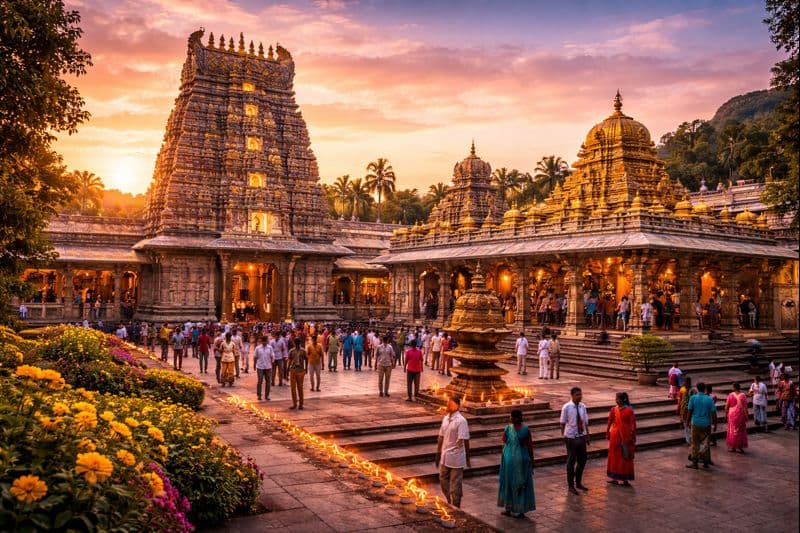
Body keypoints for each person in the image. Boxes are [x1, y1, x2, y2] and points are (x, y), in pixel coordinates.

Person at [497, 409, 535, 518]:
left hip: (509, 459)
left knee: (509, 483)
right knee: (522, 483)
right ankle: (521, 510)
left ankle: (508, 509)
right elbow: (530, 446)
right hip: (522, 459)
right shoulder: (526, 429)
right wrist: (532, 459)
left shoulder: (508, 428)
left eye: (511, 416)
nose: (510, 418)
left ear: (516, 418)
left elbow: (504, 440)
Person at [436, 396, 470, 508]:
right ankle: (449, 500)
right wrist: (438, 452)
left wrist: (467, 457)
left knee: (455, 486)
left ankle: (456, 507)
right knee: (442, 479)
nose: (448, 406)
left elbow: (465, 440)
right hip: (445, 456)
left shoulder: (461, 421)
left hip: (456, 457)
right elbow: (441, 436)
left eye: (450, 404)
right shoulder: (445, 418)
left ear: (457, 406)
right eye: (448, 403)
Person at [560, 387, 590, 495]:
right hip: (571, 437)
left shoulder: (583, 406)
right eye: (577, 395)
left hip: (581, 435)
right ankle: (571, 485)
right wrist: (564, 436)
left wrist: (587, 435)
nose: (579, 397)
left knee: (582, 460)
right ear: (572, 395)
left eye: (580, 394)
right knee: (571, 461)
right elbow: (562, 423)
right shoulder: (566, 407)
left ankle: (578, 482)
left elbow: (585, 422)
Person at [606, 392, 636, 486]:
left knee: (624, 456)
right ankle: (614, 477)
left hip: (625, 436)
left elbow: (633, 424)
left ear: (623, 399)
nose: (616, 400)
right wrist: (607, 432)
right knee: (614, 456)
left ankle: (625, 479)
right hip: (615, 436)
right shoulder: (613, 410)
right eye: (616, 399)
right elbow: (610, 421)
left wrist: (632, 436)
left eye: (618, 399)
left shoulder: (629, 411)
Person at [686, 382, 717, 469]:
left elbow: (689, 411)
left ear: (697, 388)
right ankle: (705, 462)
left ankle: (695, 463)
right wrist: (715, 424)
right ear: (705, 389)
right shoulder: (709, 399)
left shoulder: (693, 398)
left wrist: (687, 422)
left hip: (695, 423)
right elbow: (713, 413)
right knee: (705, 443)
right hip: (706, 424)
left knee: (695, 443)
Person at [725, 382, 749, 453]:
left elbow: (726, 406)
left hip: (732, 415)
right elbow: (745, 407)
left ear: (734, 388)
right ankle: (740, 447)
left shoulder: (730, 395)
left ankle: (733, 447)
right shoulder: (743, 395)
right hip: (740, 415)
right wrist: (747, 416)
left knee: (732, 431)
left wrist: (726, 413)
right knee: (740, 431)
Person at [287, 338, 307, 410]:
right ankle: (295, 404)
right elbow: (289, 360)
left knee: (299, 388)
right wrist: (288, 368)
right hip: (294, 370)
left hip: (300, 370)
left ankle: (300, 404)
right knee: (294, 388)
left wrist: (306, 368)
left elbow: (306, 359)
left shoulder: (303, 351)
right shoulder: (291, 351)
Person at [254, 336, 274, 401]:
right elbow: (255, 357)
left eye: (266, 341)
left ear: (267, 341)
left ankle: (267, 395)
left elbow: (272, 356)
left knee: (268, 381)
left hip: (268, 367)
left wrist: (272, 363)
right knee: (260, 381)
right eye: (263, 341)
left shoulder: (270, 348)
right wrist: (254, 365)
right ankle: (259, 395)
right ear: (261, 341)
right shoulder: (258, 348)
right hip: (260, 366)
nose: (264, 342)